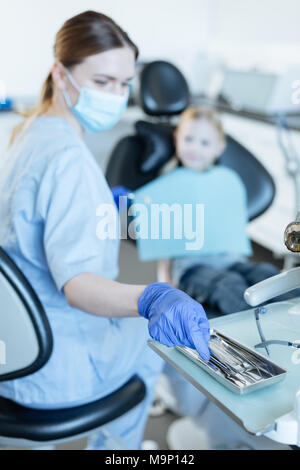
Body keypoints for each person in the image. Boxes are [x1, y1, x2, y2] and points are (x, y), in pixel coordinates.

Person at [0, 11, 210, 450]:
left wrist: (100, 202)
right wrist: (151, 297)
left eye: (124, 83)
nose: (116, 95)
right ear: (61, 73)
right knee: (153, 339)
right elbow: (78, 285)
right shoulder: (69, 160)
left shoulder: (28, 132)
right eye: (101, 82)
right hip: (59, 366)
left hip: (14, 351)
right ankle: (122, 451)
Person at [158, 107, 297, 318]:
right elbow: (162, 244)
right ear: (177, 138)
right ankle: (259, 328)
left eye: (204, 143)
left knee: (269, 275)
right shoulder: (169, 185)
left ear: (219, 147)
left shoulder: (226, 182)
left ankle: (292, 322)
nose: (195, 148)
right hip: (192, 269)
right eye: (188, 139)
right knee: (229, 285)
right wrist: (165, 287)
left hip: (234, 261)